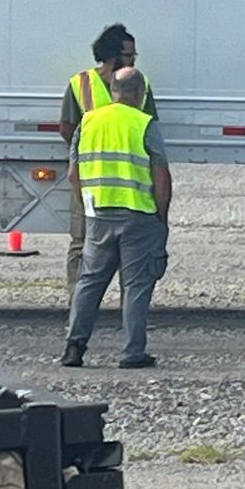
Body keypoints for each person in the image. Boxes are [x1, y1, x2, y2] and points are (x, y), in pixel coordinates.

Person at [62, 68, 170, 369]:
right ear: (139, 94)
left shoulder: (88, 121)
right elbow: (160, 175)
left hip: (98, 215)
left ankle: (74, 347)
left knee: (90, 281)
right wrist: (162, 216)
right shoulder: (143, 123)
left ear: (112, 91)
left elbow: (73, 174)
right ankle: (132, 352)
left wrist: (89, 205)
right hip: (139, 215)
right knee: (136, 285)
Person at [58, 24, 157, 292]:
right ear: (113, 55)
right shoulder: (82, 84)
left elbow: (149, 131)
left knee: (129, 252)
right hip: (93, 183)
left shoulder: (140, 84)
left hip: (124, 184)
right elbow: (67, 129)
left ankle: (109, 313)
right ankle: (78, 306)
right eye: (129, 55)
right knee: (82, 244)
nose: (133, 60)